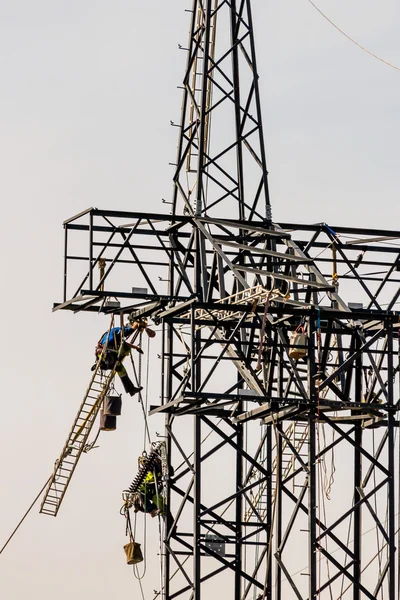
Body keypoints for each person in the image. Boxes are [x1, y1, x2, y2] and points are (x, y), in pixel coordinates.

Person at [92, 324, 143, 396]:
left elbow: (125, 343)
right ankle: (104, 364)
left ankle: (131, 389)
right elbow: (129, 331)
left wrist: (137, 348)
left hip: (103, 355)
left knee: (122, 371)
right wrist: (136, 324)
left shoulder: (109, 334)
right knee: (118, 359)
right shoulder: (118, 330)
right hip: (108, 354)